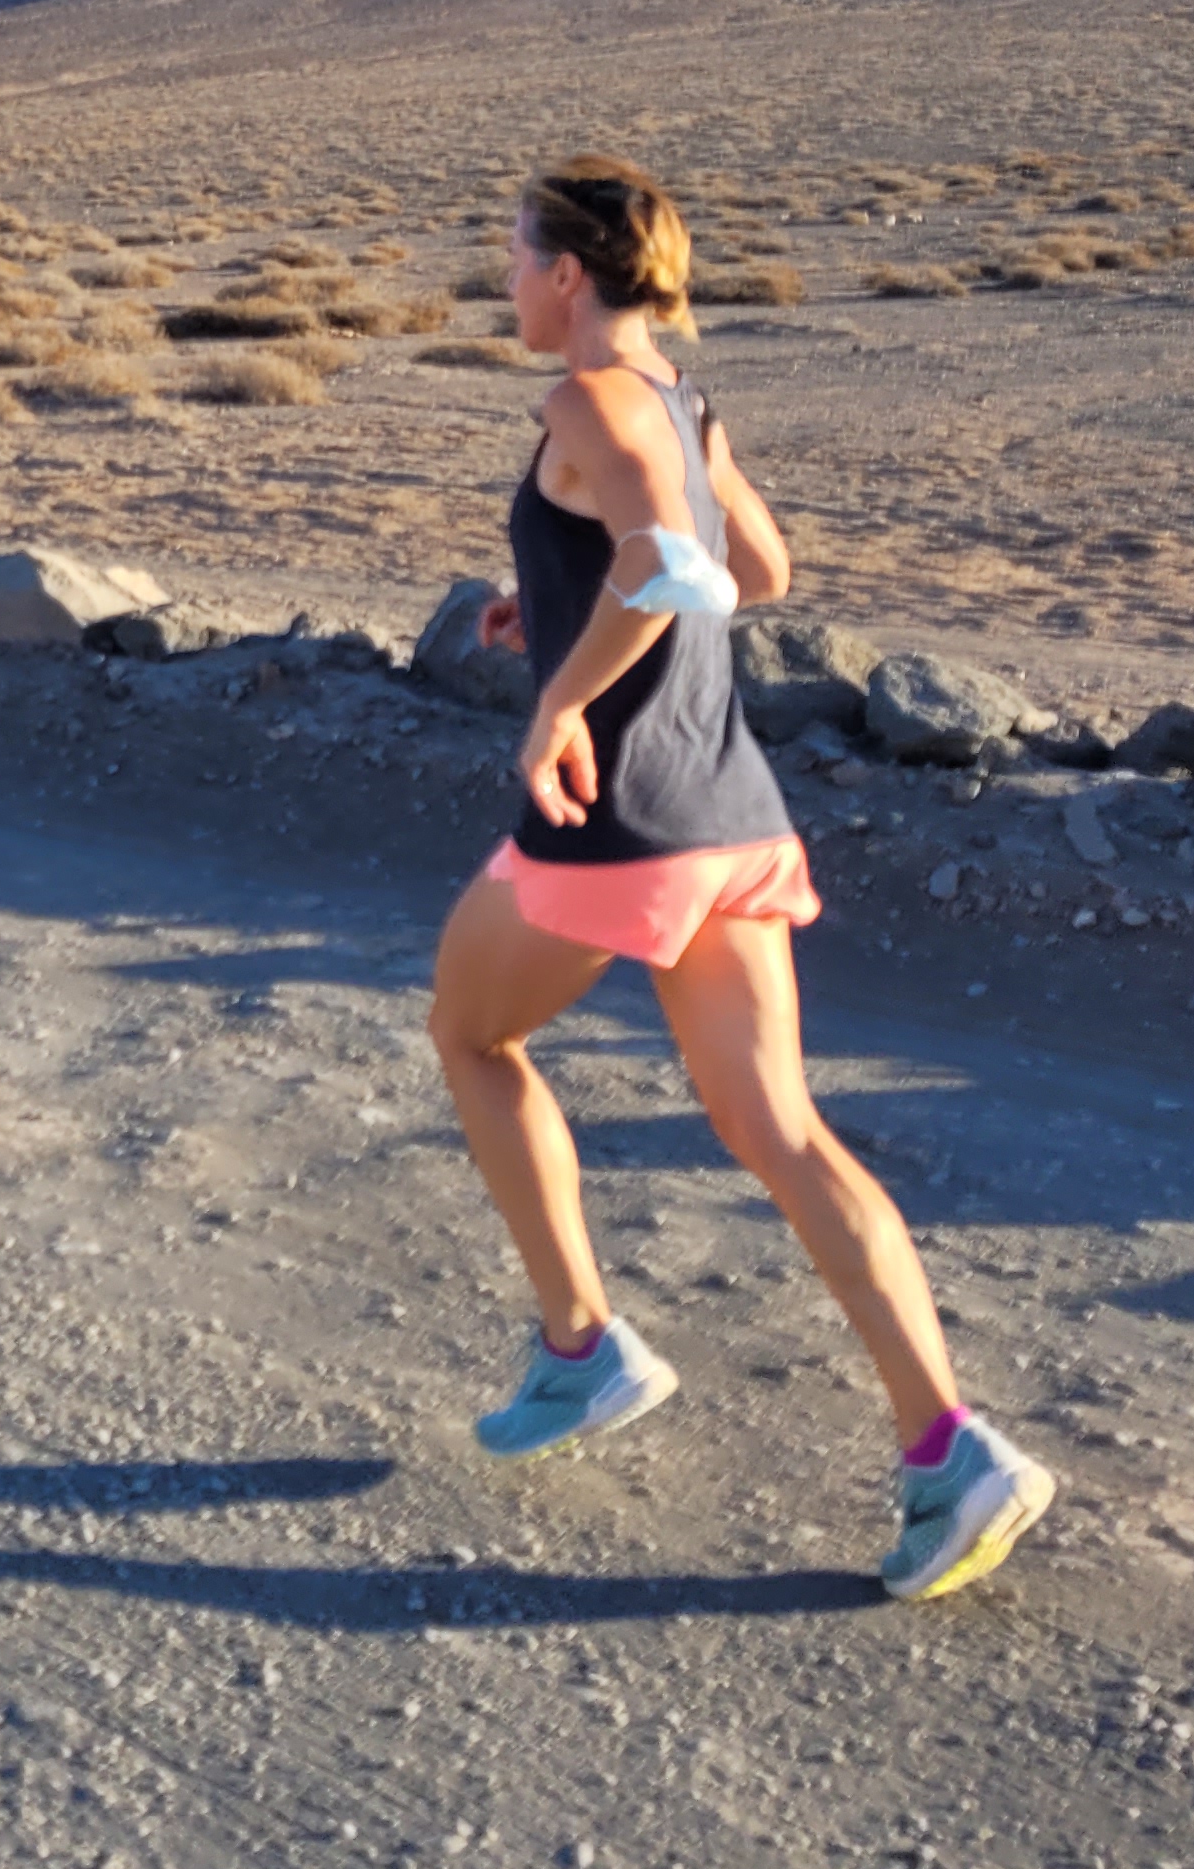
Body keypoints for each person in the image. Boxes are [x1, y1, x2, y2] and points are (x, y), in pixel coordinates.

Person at [424, 154, 1053, 1602]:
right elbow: (750, 567)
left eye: (514, 258)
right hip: (730, 813)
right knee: (783, 1132)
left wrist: (560, 701)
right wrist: (556, 601)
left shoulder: (587, 400)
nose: (505, 283)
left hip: (617, 822)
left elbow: (665, 565)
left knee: (468, 1032)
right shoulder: (681, 403)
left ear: (568, 274)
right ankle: (949, 1451)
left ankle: (581, 1350)